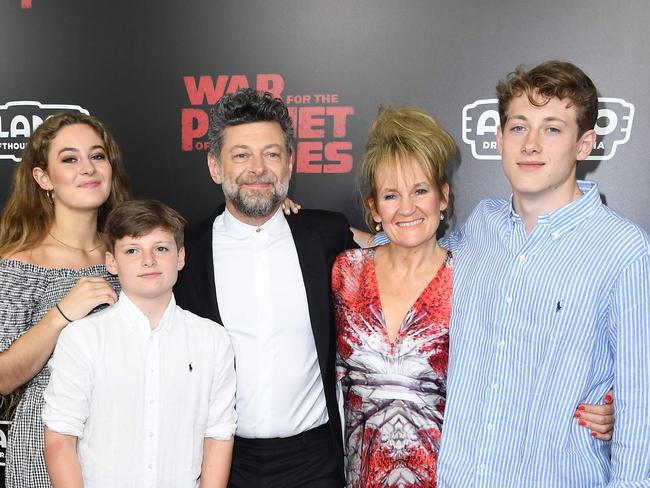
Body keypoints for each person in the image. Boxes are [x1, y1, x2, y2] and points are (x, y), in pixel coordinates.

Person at [436, 60, 650, 486]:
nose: (530, 144)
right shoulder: (482, 225)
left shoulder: (624, 250)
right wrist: (328, 231)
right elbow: (414, 251)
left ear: (584, 143)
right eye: (518, 127)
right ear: (498, 139)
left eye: (552, 128)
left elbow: (639, 410)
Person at [174, 88, 355, 487]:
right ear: (215, 167)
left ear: (289, 163)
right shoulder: (185, 251)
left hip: (315, 463)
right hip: (221, 462)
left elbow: (396, 254)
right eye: (241, 155)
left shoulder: (327, 235)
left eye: (271, 154)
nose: (258, 168)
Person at [42, 199, 236, 488]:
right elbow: (60, 440)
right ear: (112, 262)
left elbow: (218, 436)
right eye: (133, 250)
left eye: (161, 248)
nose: (149, 260)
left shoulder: (212, 340)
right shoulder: (82, 338)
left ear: (180, 257)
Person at [0, 113, 130, 488]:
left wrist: (274, 209)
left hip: (126, 445)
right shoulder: (20, 263)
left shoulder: (130, 253)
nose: (87, 168)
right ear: (43, 178)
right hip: (47, 451)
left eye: (98, 156)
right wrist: (60, 315)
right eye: (70, 159)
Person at [333, 107, 454, 487]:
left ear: (443, 197)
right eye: (390, 195)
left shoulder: (469, 278)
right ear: (373, 209)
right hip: (360, 477)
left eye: (420, 191)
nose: (407, 208)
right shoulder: (346, 273)